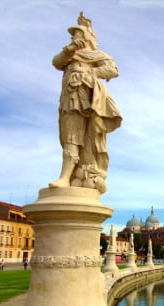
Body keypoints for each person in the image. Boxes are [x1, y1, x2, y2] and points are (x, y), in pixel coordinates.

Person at [48, 12, 122, 193]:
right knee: (68, 136)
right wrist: (69, 49)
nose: (74, 36)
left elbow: (113, 69)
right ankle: (69, 176)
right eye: (73, 35)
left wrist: (90, 74)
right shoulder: (69, 56)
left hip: (84, 102)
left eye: (77, 34)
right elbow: (56, 62)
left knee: (77, 137)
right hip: (67, 100)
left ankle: (66, 177)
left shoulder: (95, 55)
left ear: (87, 37)